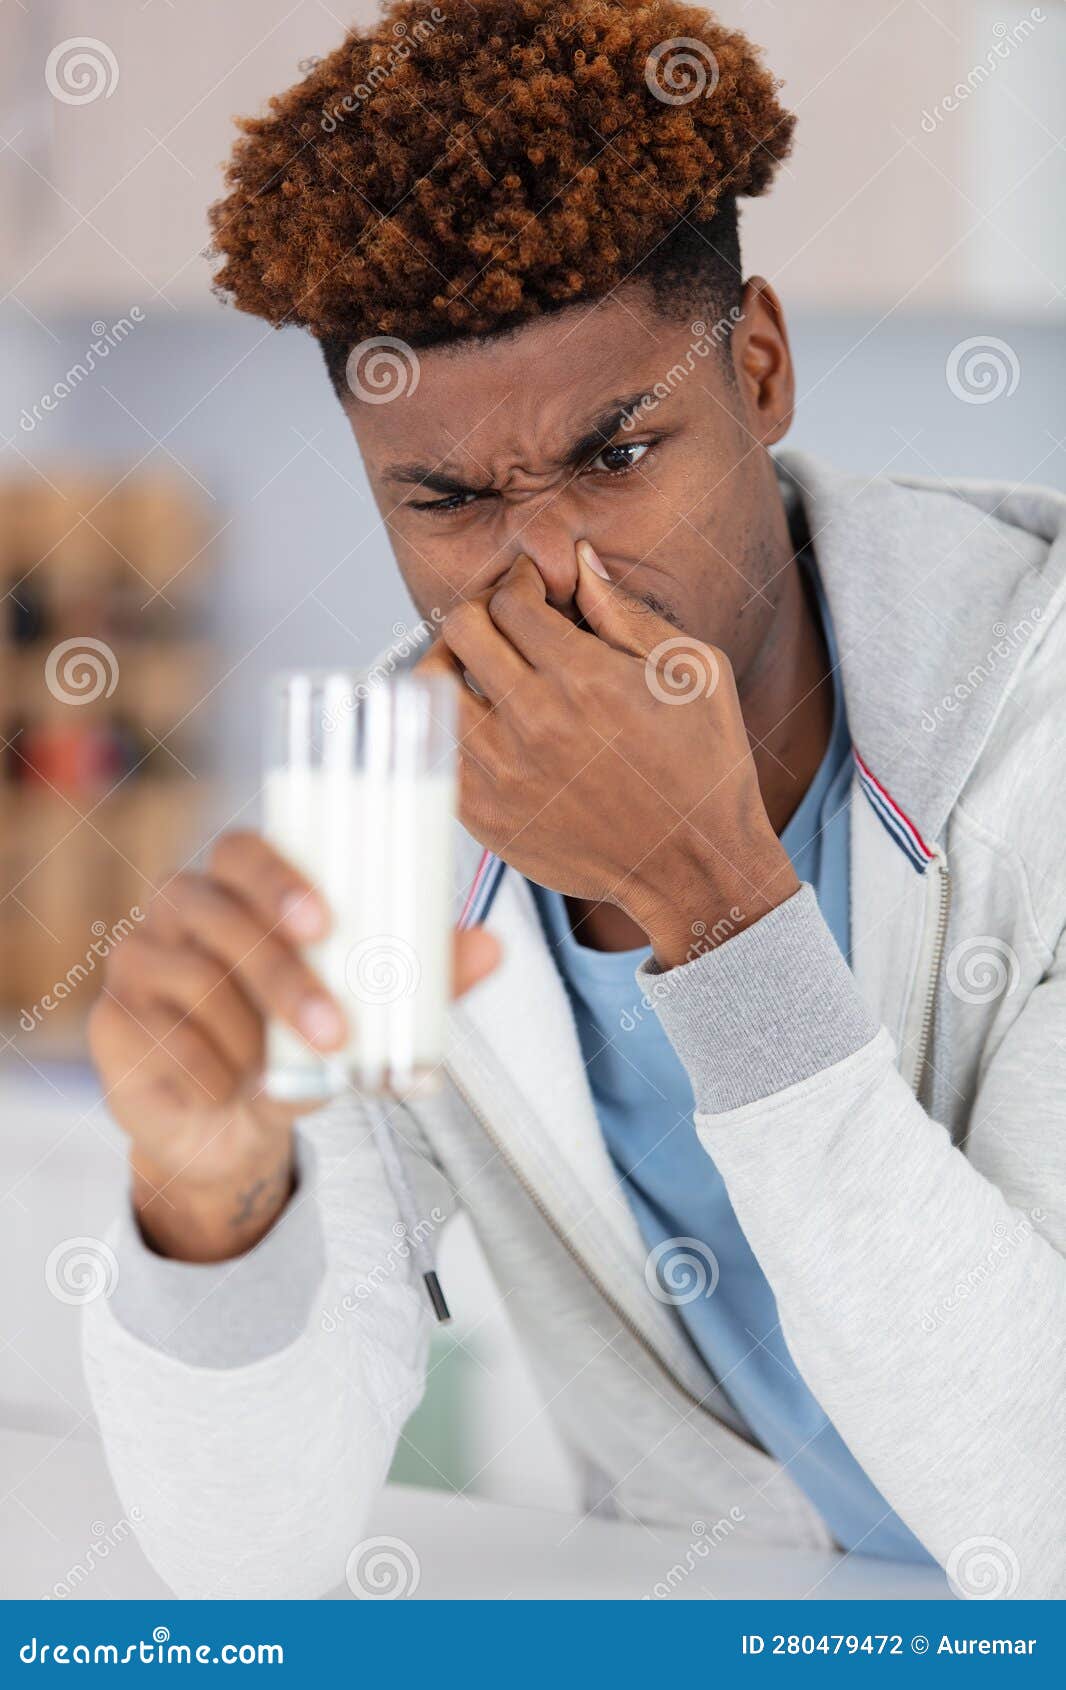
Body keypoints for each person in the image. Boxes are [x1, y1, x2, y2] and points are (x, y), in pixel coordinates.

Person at [83, 0, 1065, 1599]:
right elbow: (244, 1564)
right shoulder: (382, 826)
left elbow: (1044, 1510)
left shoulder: (1042, 728)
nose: (544, 567)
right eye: (447, 498)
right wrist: (208, 1199)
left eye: (615, 456)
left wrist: (711, 901)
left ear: (757, 367)